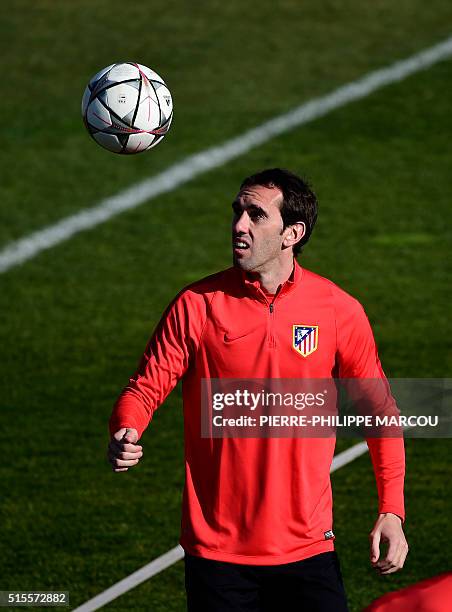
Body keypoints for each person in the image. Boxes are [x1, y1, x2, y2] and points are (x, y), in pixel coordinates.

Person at [108, 168, 408, 611]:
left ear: (292, 233)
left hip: (308, 550)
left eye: (256, 215)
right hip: (218, 558)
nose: (239, 225)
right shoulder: (197, 305)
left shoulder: (338, 310)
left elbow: (380, 412)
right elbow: (145, 387)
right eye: (237, 212)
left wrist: (392, 510)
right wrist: (126, 428)